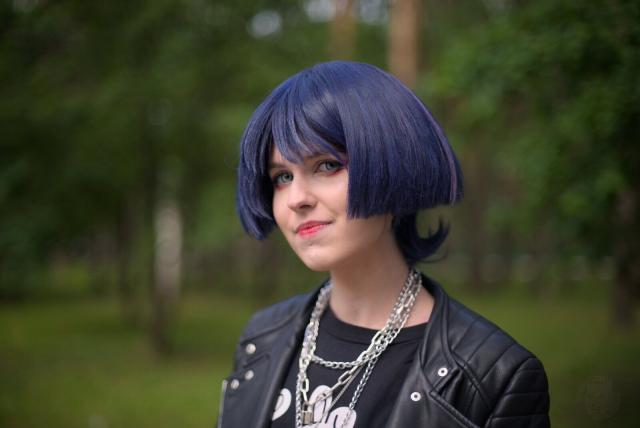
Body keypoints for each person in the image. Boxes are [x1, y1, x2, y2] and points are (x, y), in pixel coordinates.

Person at [218, 61, 550, 428]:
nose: (297, 198)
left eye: (327, 165)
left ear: (392, 164)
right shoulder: (261, 338)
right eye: (281, 177)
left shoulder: (491, 374)